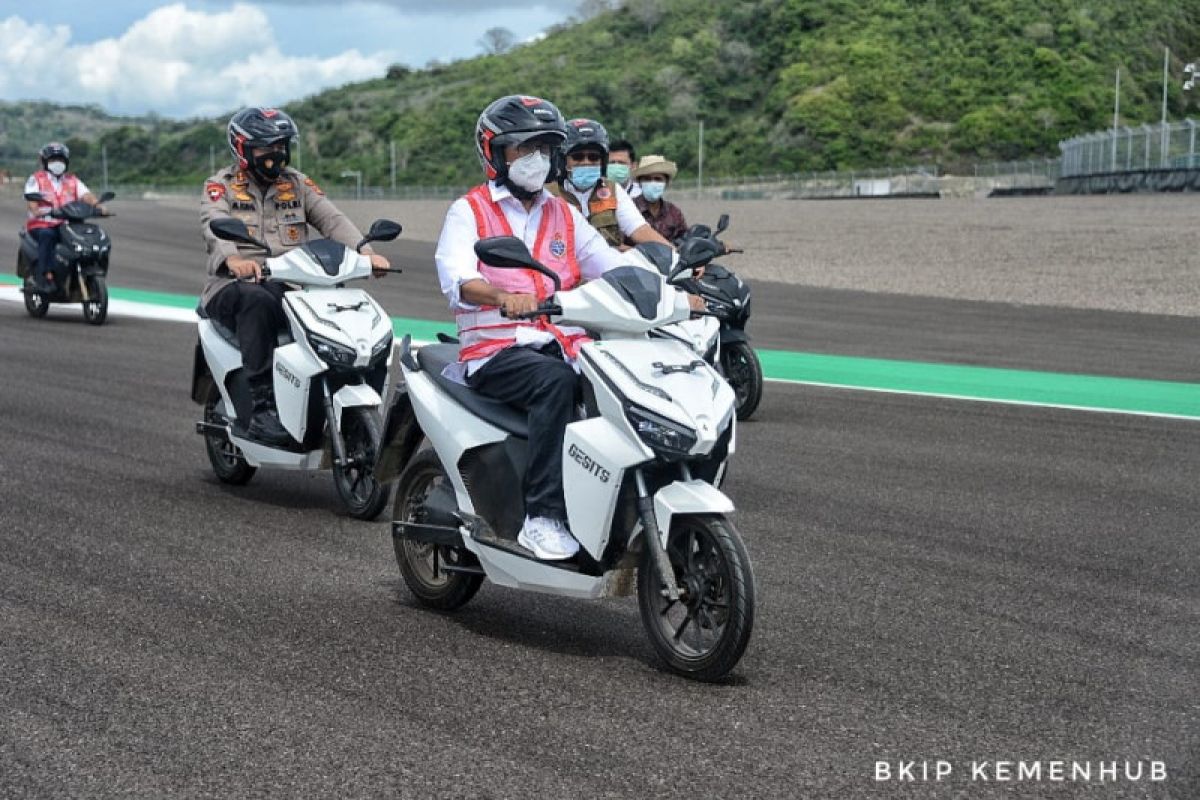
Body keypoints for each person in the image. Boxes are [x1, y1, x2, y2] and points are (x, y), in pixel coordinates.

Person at [435, 95, 701, 561]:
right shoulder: (469, 211)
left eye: (545, 147)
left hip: (563, 341)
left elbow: (609, 263)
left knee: (626, 378)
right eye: (524, 147)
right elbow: (459, 277)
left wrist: (676, 294)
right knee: (555, 383)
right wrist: (502, 296)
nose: (536, 159)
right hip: (497, 348)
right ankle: (543, 515)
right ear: (495, 152)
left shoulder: (563, 213)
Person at [200, 107, 390, 446]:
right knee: (256, 300)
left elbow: (332, 220)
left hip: (290, 284)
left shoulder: (297, 184)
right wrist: (234, 259)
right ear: (242, 149)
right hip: (233, 286)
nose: (275, 155)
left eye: (281, 146)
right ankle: (261, 408)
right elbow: (214, 225)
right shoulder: (221, 186)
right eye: (265, 147)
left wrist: (364, 253)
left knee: (343, 309)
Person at [548, 118, 668, 250]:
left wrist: (676, 257)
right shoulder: (548, 193)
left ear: (602, 162)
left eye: (593, 157)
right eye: (578, 157)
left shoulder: (613, 190)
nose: (586, 162)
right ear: (563, 160)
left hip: (608, 267)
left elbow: (639, 229)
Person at [24, 142, 107, 294]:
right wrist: (37, 210)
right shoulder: (35, 179)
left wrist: (98, 206)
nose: (58, 163)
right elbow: (32, 202)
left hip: (68, 224)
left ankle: (82, 270)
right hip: (43, 224)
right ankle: (46, 276)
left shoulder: (72, 180)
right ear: (45, 161)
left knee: (89, 235)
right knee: (47, 236)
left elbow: (86, 195)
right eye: (54, 159)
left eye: (61, 160)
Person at [632, 154, 689, 244]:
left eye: (658, 179)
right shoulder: (629, 208)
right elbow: (618, 244)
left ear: (666, 183)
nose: (652, 182)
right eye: (647, 179)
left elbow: (685, 240)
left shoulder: (674, 212)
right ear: (639, 182)